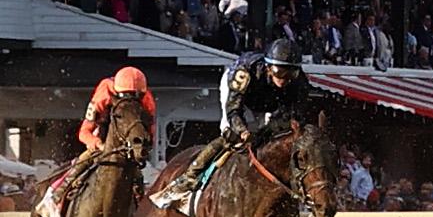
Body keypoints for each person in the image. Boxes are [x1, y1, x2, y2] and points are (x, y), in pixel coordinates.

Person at [176, 41, 315, 196]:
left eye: (290, 74)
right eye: (279, 71)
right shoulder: (244, 73)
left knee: (277, 138)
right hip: (239, 95)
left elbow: (296, 116)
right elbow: (233, 110)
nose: (284, 79)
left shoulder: (299, 82)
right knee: (231, 134)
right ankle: (192, 174)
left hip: (269, 103)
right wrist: (242, 130)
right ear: (268, 67)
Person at [77, 65, 155, 154]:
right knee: (83, 161)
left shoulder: (147, 99)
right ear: (116, 92)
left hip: (131, 144)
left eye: (135, 96)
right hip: (102, 138)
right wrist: (98, 144)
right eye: (126, 95)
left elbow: (151, 133)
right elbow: (84, 132)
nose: (130, 101)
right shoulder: (103, 95)